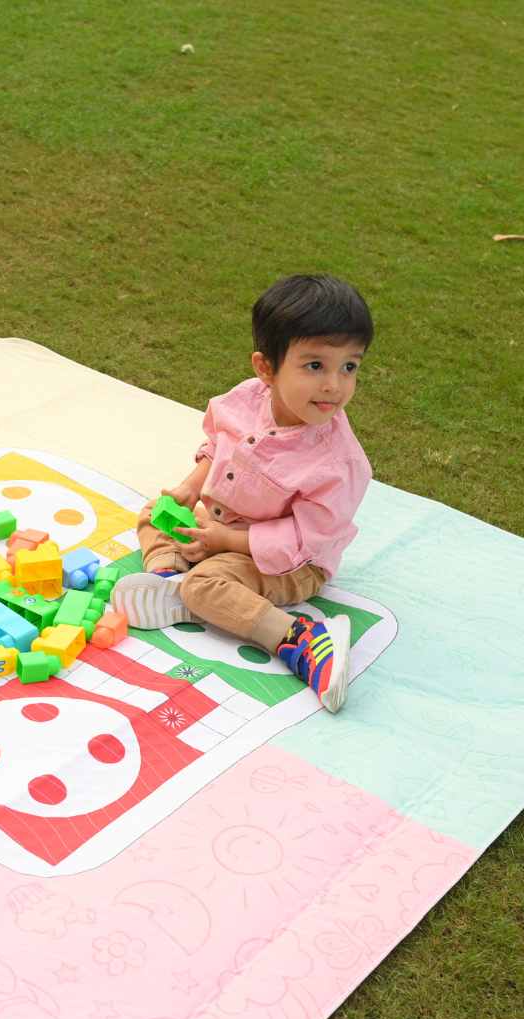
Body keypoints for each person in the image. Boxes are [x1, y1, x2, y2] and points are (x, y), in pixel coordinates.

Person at [112, 274, 374, 713]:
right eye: (315, 366)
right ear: (265, 369)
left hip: (293, 563)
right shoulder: (246, 398)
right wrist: (190, 489)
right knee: (156, 510)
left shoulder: (337, 463)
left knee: (207, 585)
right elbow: (217, 446)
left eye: (349, 366)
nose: (334, 385)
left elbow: (305, 539)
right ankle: (168, 580)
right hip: (223, 525)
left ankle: (301, 639)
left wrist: (225, 542)